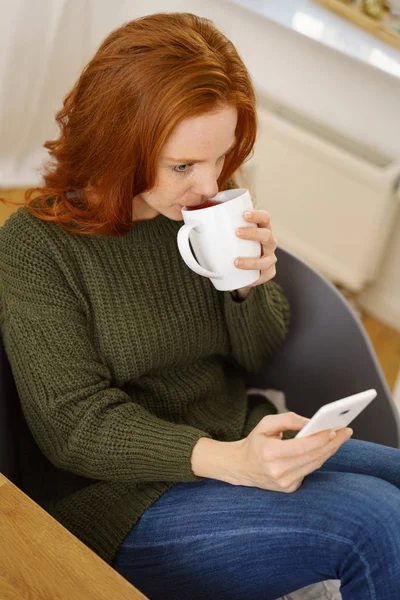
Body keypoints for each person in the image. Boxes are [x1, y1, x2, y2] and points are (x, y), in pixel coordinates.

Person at [1, 12, 400, 600]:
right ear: (117, 143)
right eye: (183, 165)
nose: (210, 186)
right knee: (377, 522)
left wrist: (247, 289)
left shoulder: (199, 209)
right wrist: (233, 461)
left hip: (234, 437)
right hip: (119, 501)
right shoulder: (36, 250)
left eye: (221, 158)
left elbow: (261, 352)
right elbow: (74, 429)